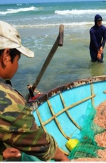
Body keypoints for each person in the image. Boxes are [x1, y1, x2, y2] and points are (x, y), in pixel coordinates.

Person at [0, 21, 69, 161]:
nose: (17, 65)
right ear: (6, 55)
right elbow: (41, 144)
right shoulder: (9, 102)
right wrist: (62, 157)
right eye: (18, 59)